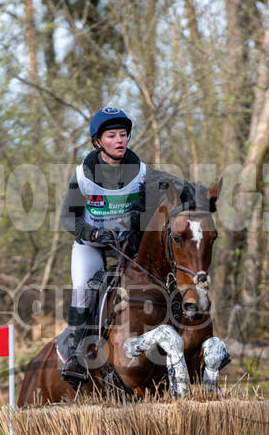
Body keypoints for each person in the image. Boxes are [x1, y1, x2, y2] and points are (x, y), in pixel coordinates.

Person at [59, 106, 197, 387]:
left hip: (128, 246)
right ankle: (76, 354)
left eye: (123, 134)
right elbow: (66, 218)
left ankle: (187, 342)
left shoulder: (141, 171)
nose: (120, 140)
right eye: (112, 135)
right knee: (85, 288)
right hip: (92, 246)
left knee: (162, 280)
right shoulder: (83, 175)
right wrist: (95, 236)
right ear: (98, 142)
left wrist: (193, 191)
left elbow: (177, 185)